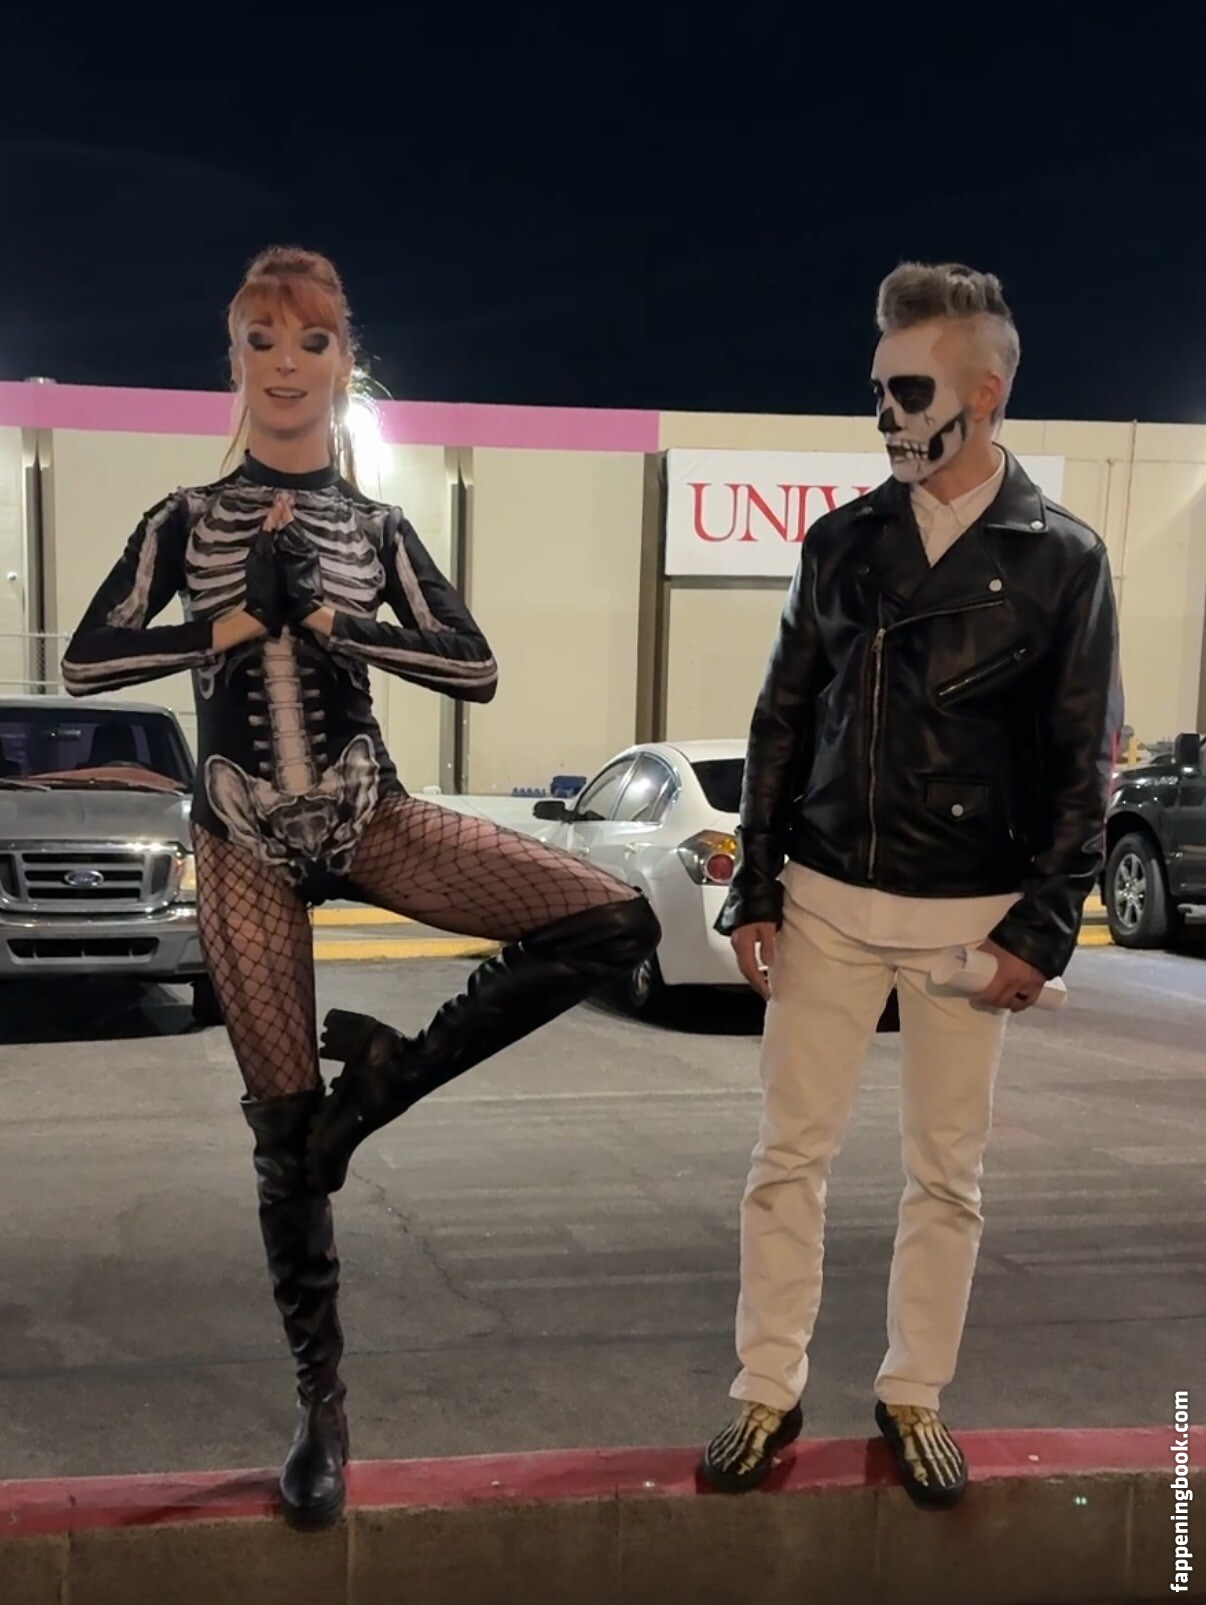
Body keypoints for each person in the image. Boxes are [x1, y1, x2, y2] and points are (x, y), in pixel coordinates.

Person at [61, 246, 659, 1532]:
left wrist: (334, 624)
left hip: (369, 811)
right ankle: (321, 1410)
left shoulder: (377, 527)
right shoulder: (183, 517)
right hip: (240, 837)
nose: (286, 365)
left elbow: (475, 666)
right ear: (233, 359)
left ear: (345, 362)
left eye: (312, 342)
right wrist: (225, 628)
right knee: (285, 1141)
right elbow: (88, 660)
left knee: (611, 917)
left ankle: (385, 1082)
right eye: (262, 341)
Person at [698, 262, 1122, 1506]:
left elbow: (1085, 761)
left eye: (911, 389)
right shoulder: (841, 543)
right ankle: (765, 1389)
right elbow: (780, 721)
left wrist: (1042, 927)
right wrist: (754, 884)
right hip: (827, 898)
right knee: (787, 1159)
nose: (886, 412)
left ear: (983, 394)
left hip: (971, 916)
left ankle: (915, 1394)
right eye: (878, 387)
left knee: (948, 1175)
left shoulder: (1063, 559)